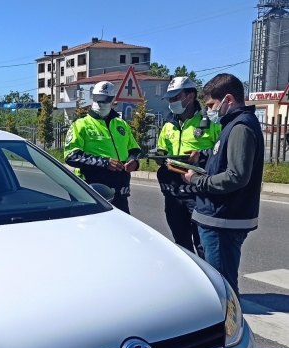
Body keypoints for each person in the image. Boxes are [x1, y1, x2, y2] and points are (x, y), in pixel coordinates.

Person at [183, 74, 264, 295]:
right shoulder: (232, 124)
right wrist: (204, 157)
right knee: (220, 283)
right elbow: (226, 161)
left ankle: (229, 329)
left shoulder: (240, 127)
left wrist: (196, 180)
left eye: (211, 105)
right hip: (218, 218)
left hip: (223, 221)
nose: (209, 110)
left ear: (228, 99)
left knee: (223, 289)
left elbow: (236, 176)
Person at [156, 77, 221, 259]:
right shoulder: (169, 123)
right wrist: (159, 157)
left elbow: (222, 149)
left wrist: (201, 154)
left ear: (190, 96)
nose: (171, 102)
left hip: (198, 193)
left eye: (176, 97)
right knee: (182, 245)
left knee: (203, 245)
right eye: (169, 99)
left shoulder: (209, 120)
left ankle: (209, 282)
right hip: (174, 194)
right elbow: (162, 148)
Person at [64, 81, 141, 213]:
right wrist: (104, 163)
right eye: (98, 100)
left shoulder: (121, 124)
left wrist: (134, 161)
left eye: (105, 101)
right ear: (92, 98)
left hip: (120, 190)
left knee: (122, 231)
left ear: (113, 101)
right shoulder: (80, 125)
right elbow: (71, 156)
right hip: (93, 190)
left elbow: (134, 149)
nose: (101, 104)